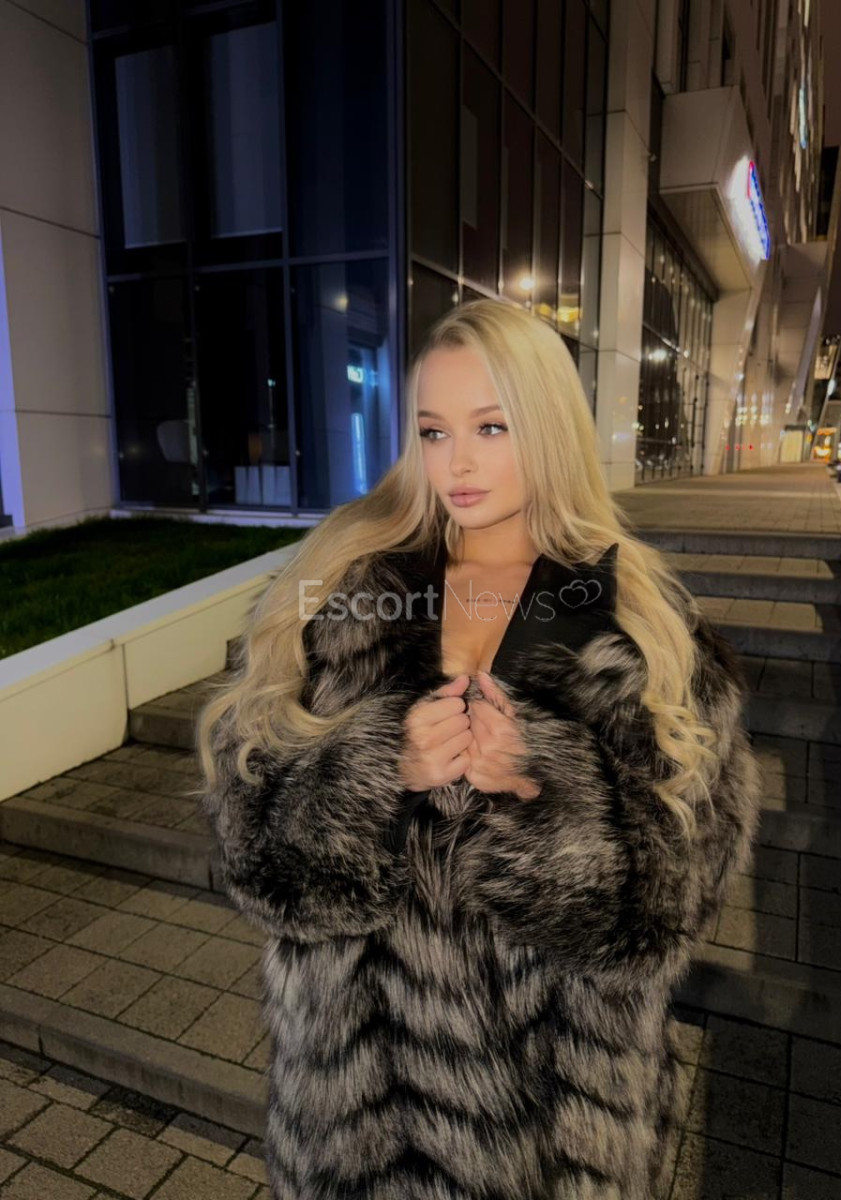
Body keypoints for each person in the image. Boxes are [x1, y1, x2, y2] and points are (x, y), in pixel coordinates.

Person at [196, 298, 761, 1200]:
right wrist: (371, 769)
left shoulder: (640, 629)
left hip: (559, 1135)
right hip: (362, 1131)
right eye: (433, 431)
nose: (455, 462)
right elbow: (248, 849)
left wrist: (549, 794)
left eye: (491, 427)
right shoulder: (338, 593)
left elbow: (676, 908)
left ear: (547, 427)